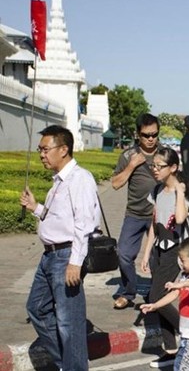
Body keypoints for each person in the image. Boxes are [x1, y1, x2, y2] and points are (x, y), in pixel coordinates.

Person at [20, 125, 100, 370]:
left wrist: (75, 262)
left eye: (46, 149)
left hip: (66, 256)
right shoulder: (60, 181)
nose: (42, 154)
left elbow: (84, 224)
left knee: (69, 323)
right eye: (40, 150)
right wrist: (36, 208)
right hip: (50, 256)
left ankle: (73, 364)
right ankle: (69, 362)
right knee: (37, 308)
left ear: (63, 149)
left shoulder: (80, 179)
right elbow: (60, 218)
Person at [140, 147, 189, 368]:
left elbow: (180, 219)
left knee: (156, 297)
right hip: (159, 252)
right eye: (153, 165)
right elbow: (154, 225)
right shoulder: (156, 191)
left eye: (160, 166)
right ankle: (171, 351)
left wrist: (180, 192)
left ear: (173, 168)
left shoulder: (179, 194)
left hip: (175, 253)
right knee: (158, 297)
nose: (155, 170)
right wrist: (145, 253)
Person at [112, 113, 164, 309]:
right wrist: (132, 165)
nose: (151, 139)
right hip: (134, 213)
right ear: (138, 135)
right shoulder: (127, 156)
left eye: (154, 134)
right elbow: (115, 184)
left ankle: (156, 293)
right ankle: (128, 291)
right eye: (146, 135)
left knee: (157, 257)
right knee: (123, 254)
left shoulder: (164, 154)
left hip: (158, 216)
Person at [140, 236, 189, 371]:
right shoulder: (185, 275)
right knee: (180, 365)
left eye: (183, 260)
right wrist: (155, 305)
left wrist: (178, 284)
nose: (180, 263)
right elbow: (174, 294)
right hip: (186, 334)